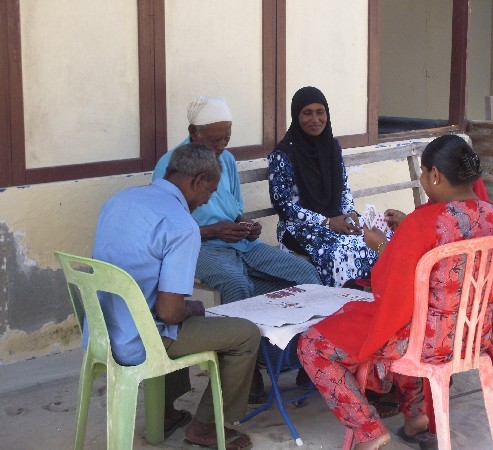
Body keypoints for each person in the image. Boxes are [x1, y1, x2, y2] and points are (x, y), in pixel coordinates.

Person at [297, 135, 493, 450]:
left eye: (423, 174)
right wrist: (405, 234)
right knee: (413, 316)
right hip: (471, 337)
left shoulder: (424, 222)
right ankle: (417, 418)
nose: (423, 181)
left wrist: (382, 244)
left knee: (313, 344)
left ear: (435, 175)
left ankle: (368, 431)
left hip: (426, 343)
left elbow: (389, 285)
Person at [153, 96, 322, 397]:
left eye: (226, 138)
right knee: (236, 285)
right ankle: (244, 375)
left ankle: (302, 361)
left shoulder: (227, 160)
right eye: (214, 139)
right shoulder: (172, 164)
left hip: (238, 243)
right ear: (194, 133)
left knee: (305, 274)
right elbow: (171, 228)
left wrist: (247, 226)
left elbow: (235, 210)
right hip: (200, 246)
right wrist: (212, 230)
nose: (220, 145)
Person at [92, 143, 258, 449]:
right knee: (245, 334)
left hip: (101, 332)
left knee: (183, 321)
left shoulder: (120, 200)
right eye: (210, 191)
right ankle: (205, 427)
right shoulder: (182, 226)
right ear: (197, 181)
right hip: (138, 342)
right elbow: (169, 313)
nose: (207, 200)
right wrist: (187, 309)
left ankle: (165, 413)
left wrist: (182, 310)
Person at [268, 86, 379, 288]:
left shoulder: (332, 147)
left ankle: (370, 298)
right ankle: (341, 305)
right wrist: (326, 222)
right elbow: (283, 206)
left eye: (320, 112)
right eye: (307, 113)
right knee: (341, 249)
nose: (315, 119)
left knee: (378, 238)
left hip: (337, 218)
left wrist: (350, 212)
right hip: (298, 227)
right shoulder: (283, 154)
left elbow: (344, 187)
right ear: (296, 115)